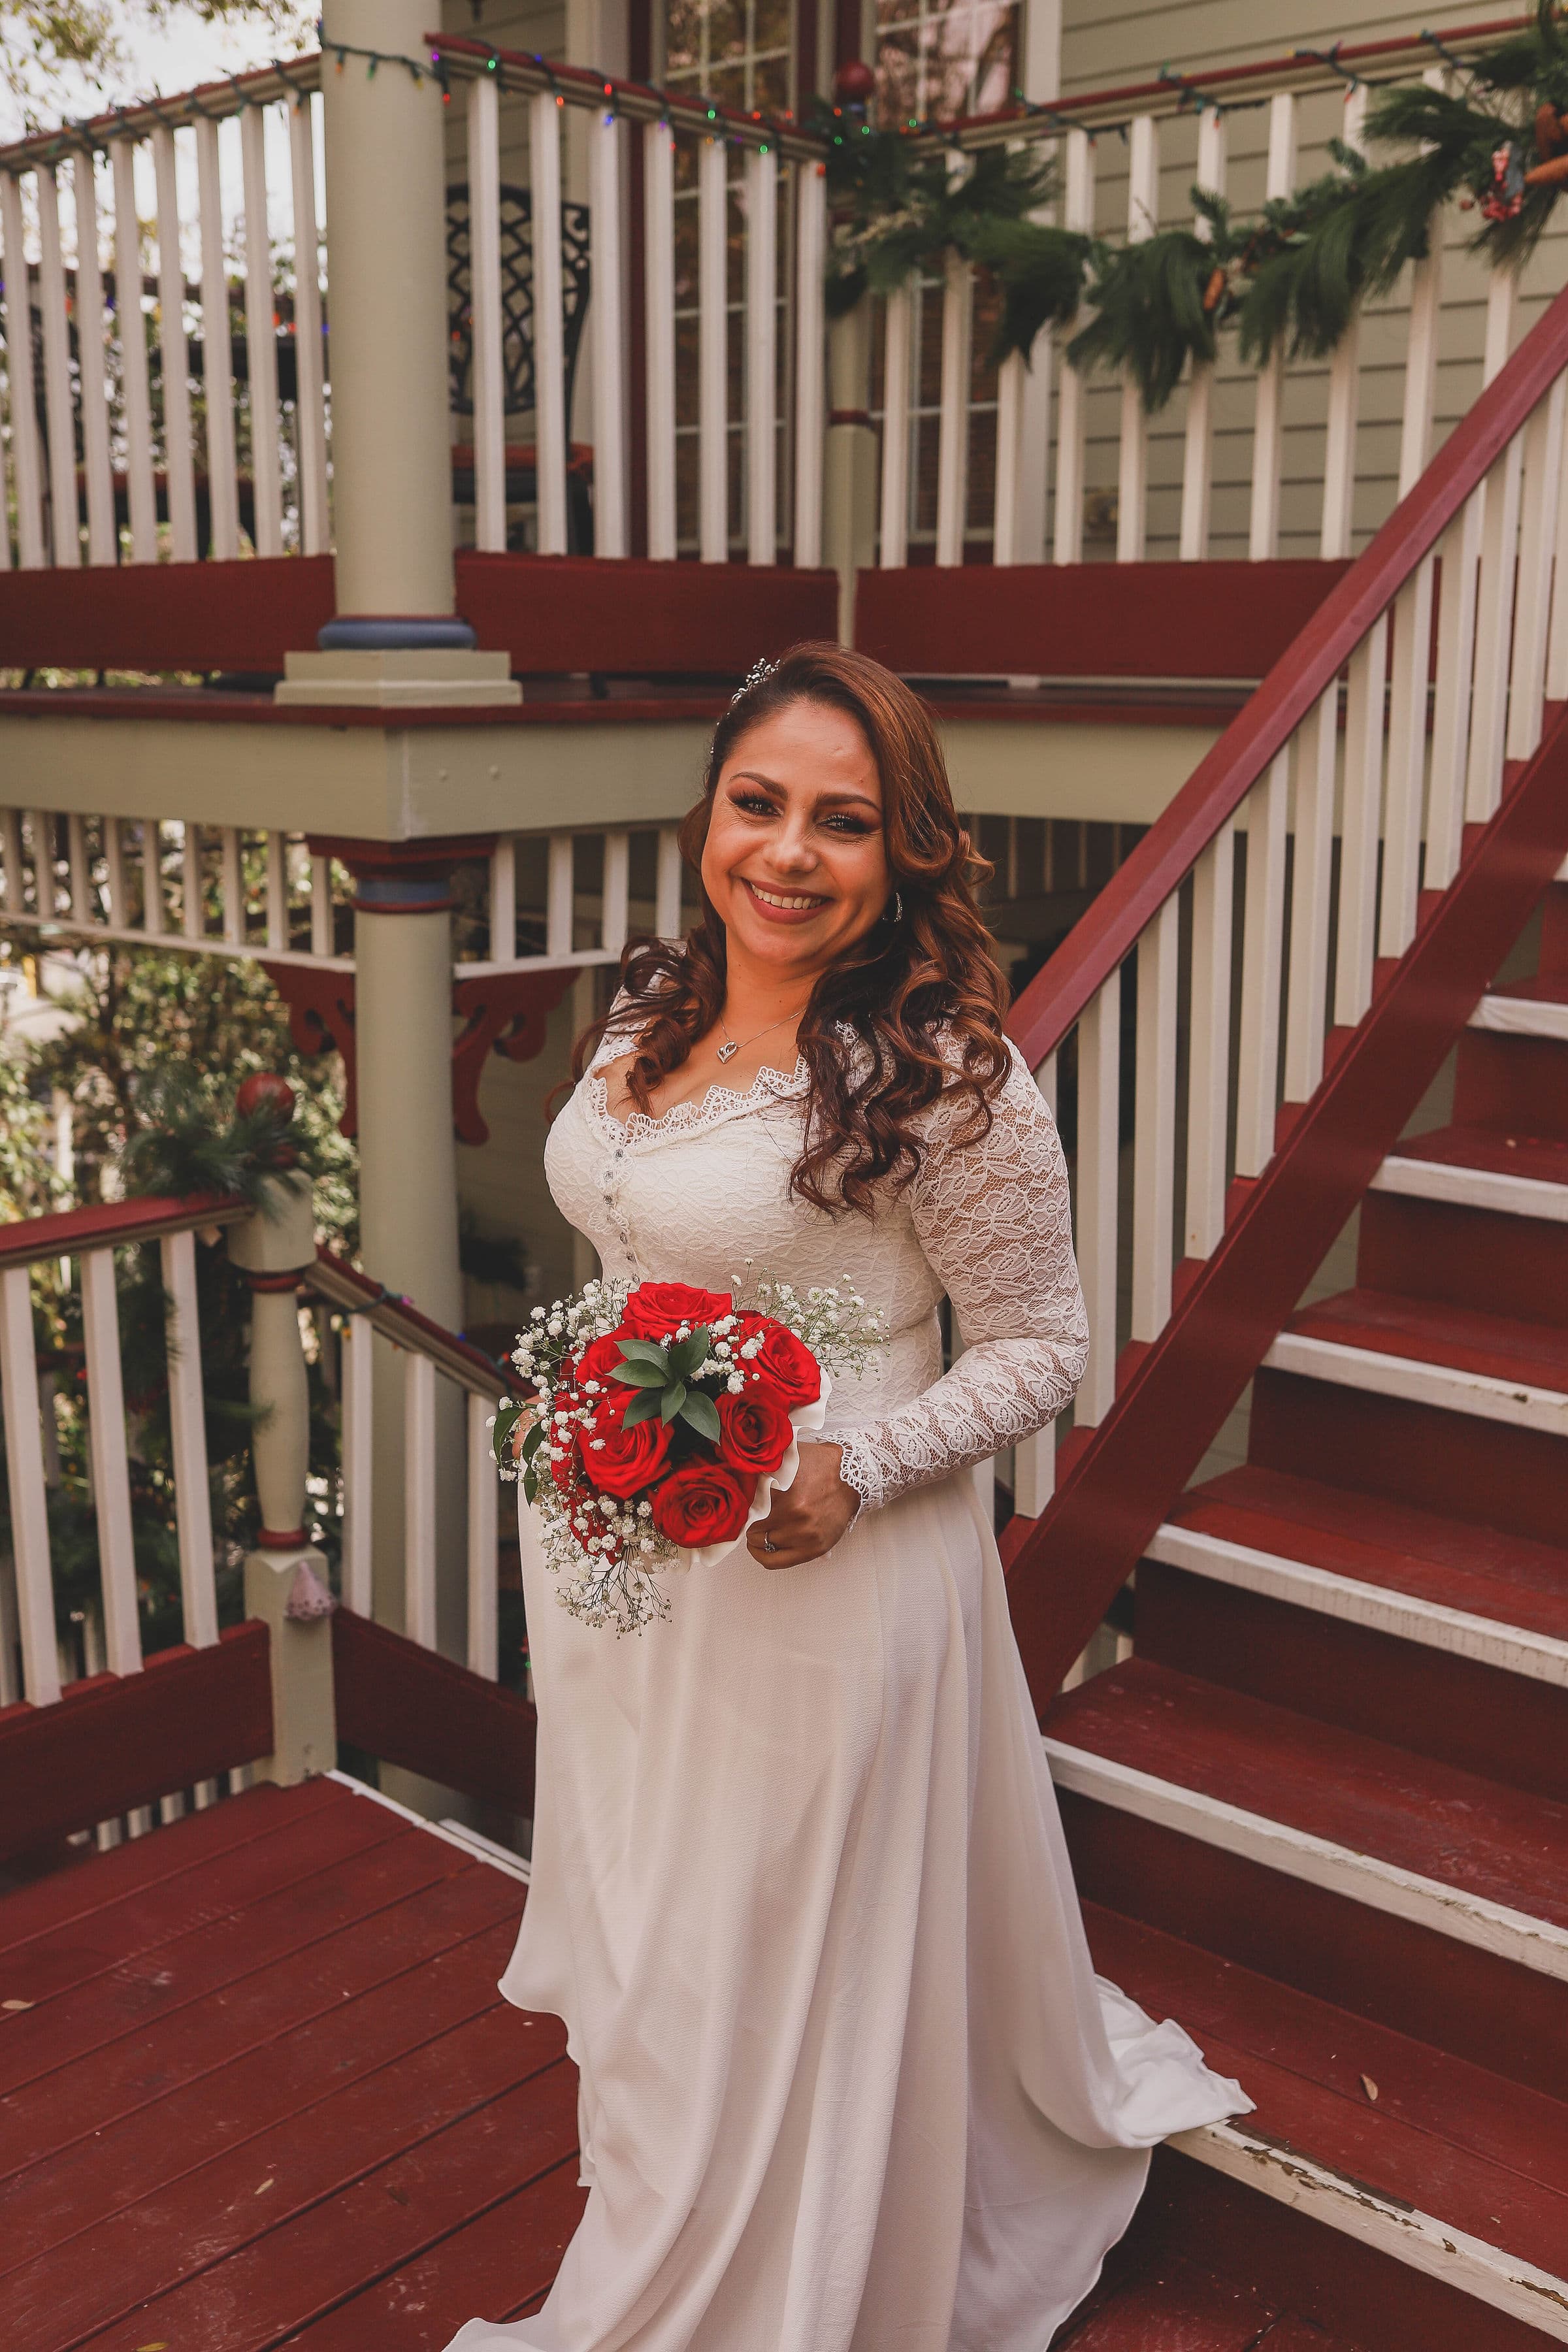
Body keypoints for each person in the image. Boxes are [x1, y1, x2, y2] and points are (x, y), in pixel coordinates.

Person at [443, 645, 1249, 2352]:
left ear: (904, 856)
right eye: (760, 804)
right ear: (708, 813)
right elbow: (633, 1244)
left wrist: (856, 1464)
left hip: (829, 1566)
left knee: (765, 1955)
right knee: (666, 1940)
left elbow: (1043, 1346)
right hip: (634, 1575)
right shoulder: (650, 1009)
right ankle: (669, 2218)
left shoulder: (943, 1075)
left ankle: (763, 2298)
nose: (790, 852)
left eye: (844, 821)